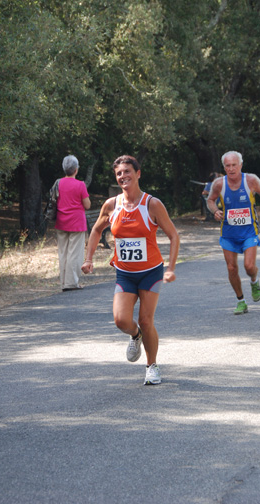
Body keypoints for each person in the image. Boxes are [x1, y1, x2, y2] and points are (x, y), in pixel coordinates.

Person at [81, 155, 180, 385]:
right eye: (119, 173)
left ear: (138, 174)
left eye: (127, 171)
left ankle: (152, 366)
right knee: (120, 320)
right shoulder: (112, 205)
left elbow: (174, 235)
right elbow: (96, 230)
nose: (123, 176)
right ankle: (135, 336)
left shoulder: (152, 204)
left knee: (146, 320)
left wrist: (171, 268)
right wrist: (88, 258)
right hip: (125, 273)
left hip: (150, 271)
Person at [206, 151, 260, 315]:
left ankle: (254, 280)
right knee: (231, 268)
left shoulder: (251, 180)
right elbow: (210, 200)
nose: (231, 169)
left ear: (240, 165)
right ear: (224, 167)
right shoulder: (219, 183)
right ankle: (241, 301)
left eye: (234, 165)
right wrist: (215, 211)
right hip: (228, 233)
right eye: (227, 166)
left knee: (249, 266)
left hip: (248, 232)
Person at [55, 155, 91, 291]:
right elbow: (87, 205)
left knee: (63, 253)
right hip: (76, 222)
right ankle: (71, 283)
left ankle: (63, 282)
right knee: (74, 253)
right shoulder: (80, 185)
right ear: (76, 169)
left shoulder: (58, 183)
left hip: (61, 221)